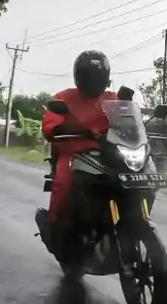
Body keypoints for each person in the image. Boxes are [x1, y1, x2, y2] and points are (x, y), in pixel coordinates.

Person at [36, 50, 117, 260]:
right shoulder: (64, 98)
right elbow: (50, 124)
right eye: (89, 78)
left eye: (97, 79)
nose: (93, 83)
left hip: (107, 154)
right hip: (74, 154)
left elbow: (128, 118)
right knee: (63, 182)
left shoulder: (112, 99)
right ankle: (54, 228)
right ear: (79, 78)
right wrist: (58, 129)